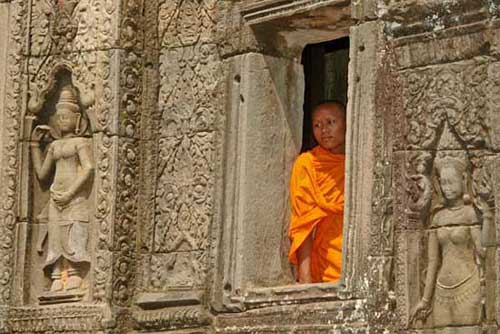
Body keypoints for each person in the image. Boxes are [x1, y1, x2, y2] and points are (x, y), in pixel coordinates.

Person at [31, 85, 94, 292]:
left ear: (78, 118)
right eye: (59, 117)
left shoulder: (81, 143)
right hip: (56, 196)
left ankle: (74, 272)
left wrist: (70, 193)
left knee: (74, 232)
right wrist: (33, 145)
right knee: (56, 237)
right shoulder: (55, 146)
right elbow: (41, 174)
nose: (61, 120)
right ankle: (58, 274)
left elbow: (88, 168)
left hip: (74, 196)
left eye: (66, 116)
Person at [410, 157, 483, 327]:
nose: (446, 188)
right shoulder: (438, 217)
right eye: (443, 183)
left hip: (468, 287)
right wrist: (425, 299)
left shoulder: (470, 214)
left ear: (463, 181)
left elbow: (482, 251)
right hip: (441, 291)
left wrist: (487, 213)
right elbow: (433, 262)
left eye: (451, 182)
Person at [288, 101, 346, 283]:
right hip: (323, 261)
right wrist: (305, 277)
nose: (324, 130)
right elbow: (304, 224)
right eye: (317, 125)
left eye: (331, 122)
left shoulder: (361, 163)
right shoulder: (307, 164)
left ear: (346, 123)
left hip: (354, 255)